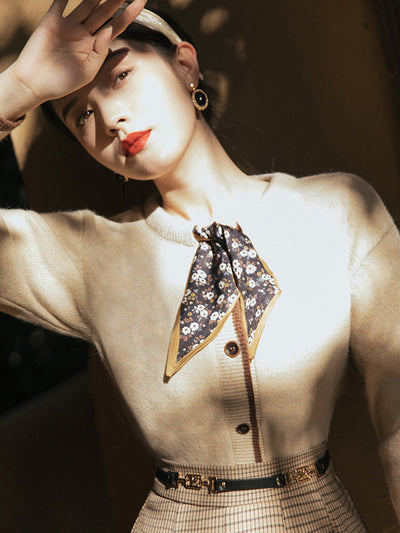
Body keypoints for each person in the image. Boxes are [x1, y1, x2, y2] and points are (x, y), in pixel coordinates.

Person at [0, 0, 399, 531]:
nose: (111, 118)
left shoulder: (339, 211)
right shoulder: (91, 257)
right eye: (83, 116)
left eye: (120, 76)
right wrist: (19, 88)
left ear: (185, 66)